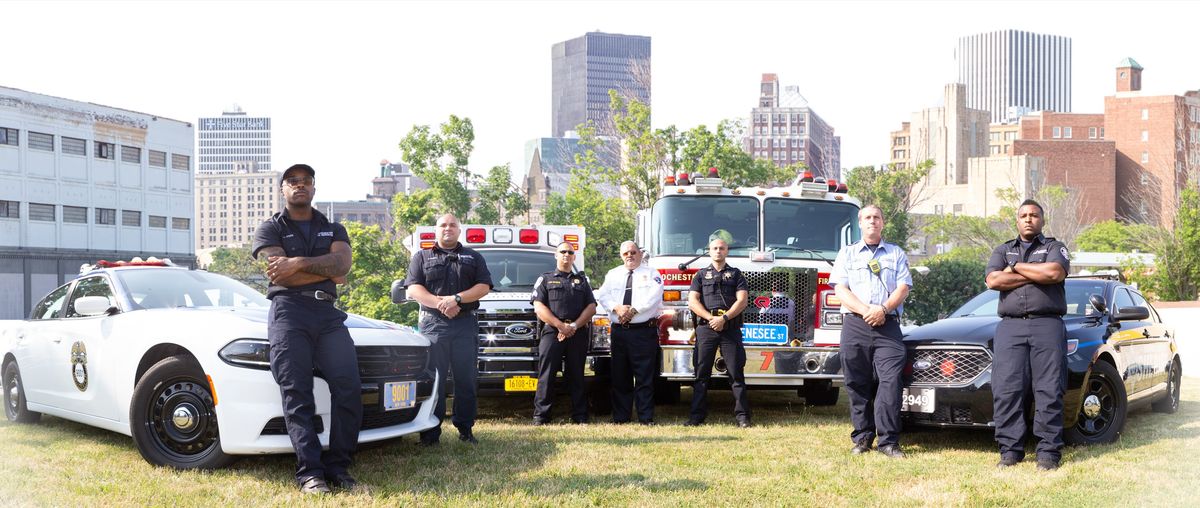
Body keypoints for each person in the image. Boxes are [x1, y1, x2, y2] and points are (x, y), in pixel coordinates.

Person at [252, 163, 359, 494]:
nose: (300, 186)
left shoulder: (334, 228)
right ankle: (310, 473)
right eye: (293, 181)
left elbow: (343, 266)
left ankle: (339, 467)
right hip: (289, 312)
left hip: (327, 314)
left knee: (349, 389)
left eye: (306, 181)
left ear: (314, 189)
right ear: (283, 189)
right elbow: (279, 275)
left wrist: (297, 263)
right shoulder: (269, 228)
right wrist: (325, 270)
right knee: (297, 394)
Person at [985, 199, 1070, 471]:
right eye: (1023, 215)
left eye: (1034, 215)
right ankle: (1010, 451)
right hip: (1010, 328)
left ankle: (1048, 453)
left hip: (1047, 325)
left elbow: (1055, 272)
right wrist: (1036, 273)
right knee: (1007, 390)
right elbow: (993, 281)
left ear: (1042, 220)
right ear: (1017, 220)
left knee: (1049, 389)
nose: (1028, 219)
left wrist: (1016, 267)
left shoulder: (1055, 247)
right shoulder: (1002, 249)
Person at [404, 213, 493, 445]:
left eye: (452, 225)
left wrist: (457, 299)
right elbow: (413, 289)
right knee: (434, 380)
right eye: (443, 225)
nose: (448, 228)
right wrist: (443, 304)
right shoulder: (421, 257)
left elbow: (483, 286)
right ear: (436, 230)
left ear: (459, 230)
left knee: (466, 380)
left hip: (465, 325)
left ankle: (466, 429)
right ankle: (430, 432)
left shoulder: (473, 257)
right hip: (433, 325)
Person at [830, 204, 911, 459]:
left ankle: (888, 442)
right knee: (856, 383)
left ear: (883, 223)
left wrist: (883, 309)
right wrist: (867, 310)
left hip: (888, 326)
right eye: (867, 217)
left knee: (891, 382)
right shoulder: (848, 253)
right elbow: (840, 289)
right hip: (855, 324)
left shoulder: (896, 253)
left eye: (876, 217)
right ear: (860, 223)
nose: (872, 221)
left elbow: (903, 287)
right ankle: (863, 437)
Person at [685, 237, 752, 428]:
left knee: (736, 373)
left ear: (727, 251)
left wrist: (724, 319)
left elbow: (742, 301)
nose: (718, 251)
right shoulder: (699, 275)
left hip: (729, 328)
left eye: (721, 248)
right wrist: (710, 318)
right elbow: (693, 301)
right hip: (706, 329)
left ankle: (742, 417)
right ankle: (696, 416)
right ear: (709, 251)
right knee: (701, 374)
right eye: (714, 248)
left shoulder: (737, 274)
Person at [596, 241, 664, 425]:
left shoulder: (652, 274)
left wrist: (632, 311)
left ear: (640, 254)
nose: (630, 255)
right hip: (620, 332)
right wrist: (617, 308)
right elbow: (603, 295)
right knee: (620, 376)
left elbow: (654, 297)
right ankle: (620, 417)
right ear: (621, 255)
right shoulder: (613, 274)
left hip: (643, 332)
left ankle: (645, 417)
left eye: (633, 252)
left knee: (644, 376)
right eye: (626, 253)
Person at [531, 242, 597, 425]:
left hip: (577, 333)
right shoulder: (545, 279)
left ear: (574, 257)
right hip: (552, 332)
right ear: (556, 255)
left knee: (577, 375)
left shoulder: (582, 281)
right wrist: (560, 326)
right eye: (562, 252)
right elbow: (539, 306)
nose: (566, 255)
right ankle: (541, 416)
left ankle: (580, 415)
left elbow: (591, 307)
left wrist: (573, 326)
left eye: (570, 252)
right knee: (547, 374)